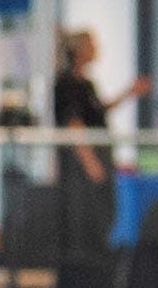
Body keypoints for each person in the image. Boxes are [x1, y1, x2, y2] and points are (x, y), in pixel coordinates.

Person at [48, 26, 112, 184]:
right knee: (85, 203)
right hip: (80, 160)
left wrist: (129, 93)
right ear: (80, 50)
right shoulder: (68, 83)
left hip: (98, 150)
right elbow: (74, 123)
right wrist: (89, 161)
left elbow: (98, 111)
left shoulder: (87, 84)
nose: (96, 48)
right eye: (92, 44)